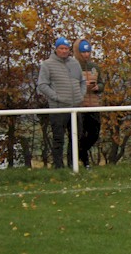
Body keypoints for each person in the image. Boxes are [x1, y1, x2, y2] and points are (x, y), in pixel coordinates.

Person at [37, 37, 87, 169]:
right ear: (56, 49)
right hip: (58, 109)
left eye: (66, 48)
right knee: (58, 139)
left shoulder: (75, 64)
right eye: (62, 48)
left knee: (76, 137)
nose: (64, 51)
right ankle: (58, 166)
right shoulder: (47, 64)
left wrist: (80, 96)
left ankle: (73, 164)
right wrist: (56, 97)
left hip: (75, 107)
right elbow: (42, 85)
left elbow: (82, 81)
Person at [73, 38, 104, 169]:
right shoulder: (72, 67)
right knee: (78, 134)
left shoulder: (94, 68)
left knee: (94, 133)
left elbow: (102, 83)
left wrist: (98, 87)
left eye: (88, 52)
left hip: (93, 104)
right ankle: (84, 162)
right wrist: (81, 86)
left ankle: (81, 152)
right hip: (79, 106)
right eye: (83, 52)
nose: (86, 55)